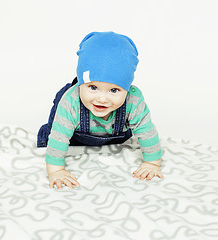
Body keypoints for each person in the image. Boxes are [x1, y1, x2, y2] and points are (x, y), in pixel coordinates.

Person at [37, 31, 163, 190]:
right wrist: (56, 171)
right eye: (93, 87)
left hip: (114, 137)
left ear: (127, 88)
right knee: (55, 129)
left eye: (114, 90)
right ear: (82, 83)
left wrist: (151, 162)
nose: (102, 99)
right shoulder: (71, 101)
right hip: (72, 135)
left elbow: (147, 132)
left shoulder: (133, 100)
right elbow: (59, 138)